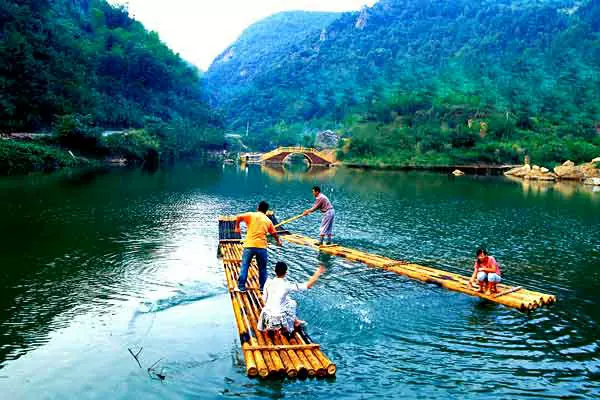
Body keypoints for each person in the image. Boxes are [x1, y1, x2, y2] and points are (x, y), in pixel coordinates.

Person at [257, 262, 325, 334]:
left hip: (267, 316)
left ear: (275, 271)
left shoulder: (268, 282)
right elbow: (308, 286)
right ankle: (292, 323)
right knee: (292, 303)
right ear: (286, 273)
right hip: (278, 318)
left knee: (286, 300)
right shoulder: (286, 285)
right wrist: (318, 272)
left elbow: (264, 299)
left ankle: (273, 324)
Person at [234, 201, 282, 293]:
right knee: (263, 268)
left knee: (245, 266)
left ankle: (241, 287)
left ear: (257, 208)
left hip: (249, 246)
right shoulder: (268, 221)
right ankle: (262, 288)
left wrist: (237, 227)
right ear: (266, 211)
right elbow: (274, 233)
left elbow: (238, 217)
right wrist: (278, 241)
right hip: (262, 247)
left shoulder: (251, 215)